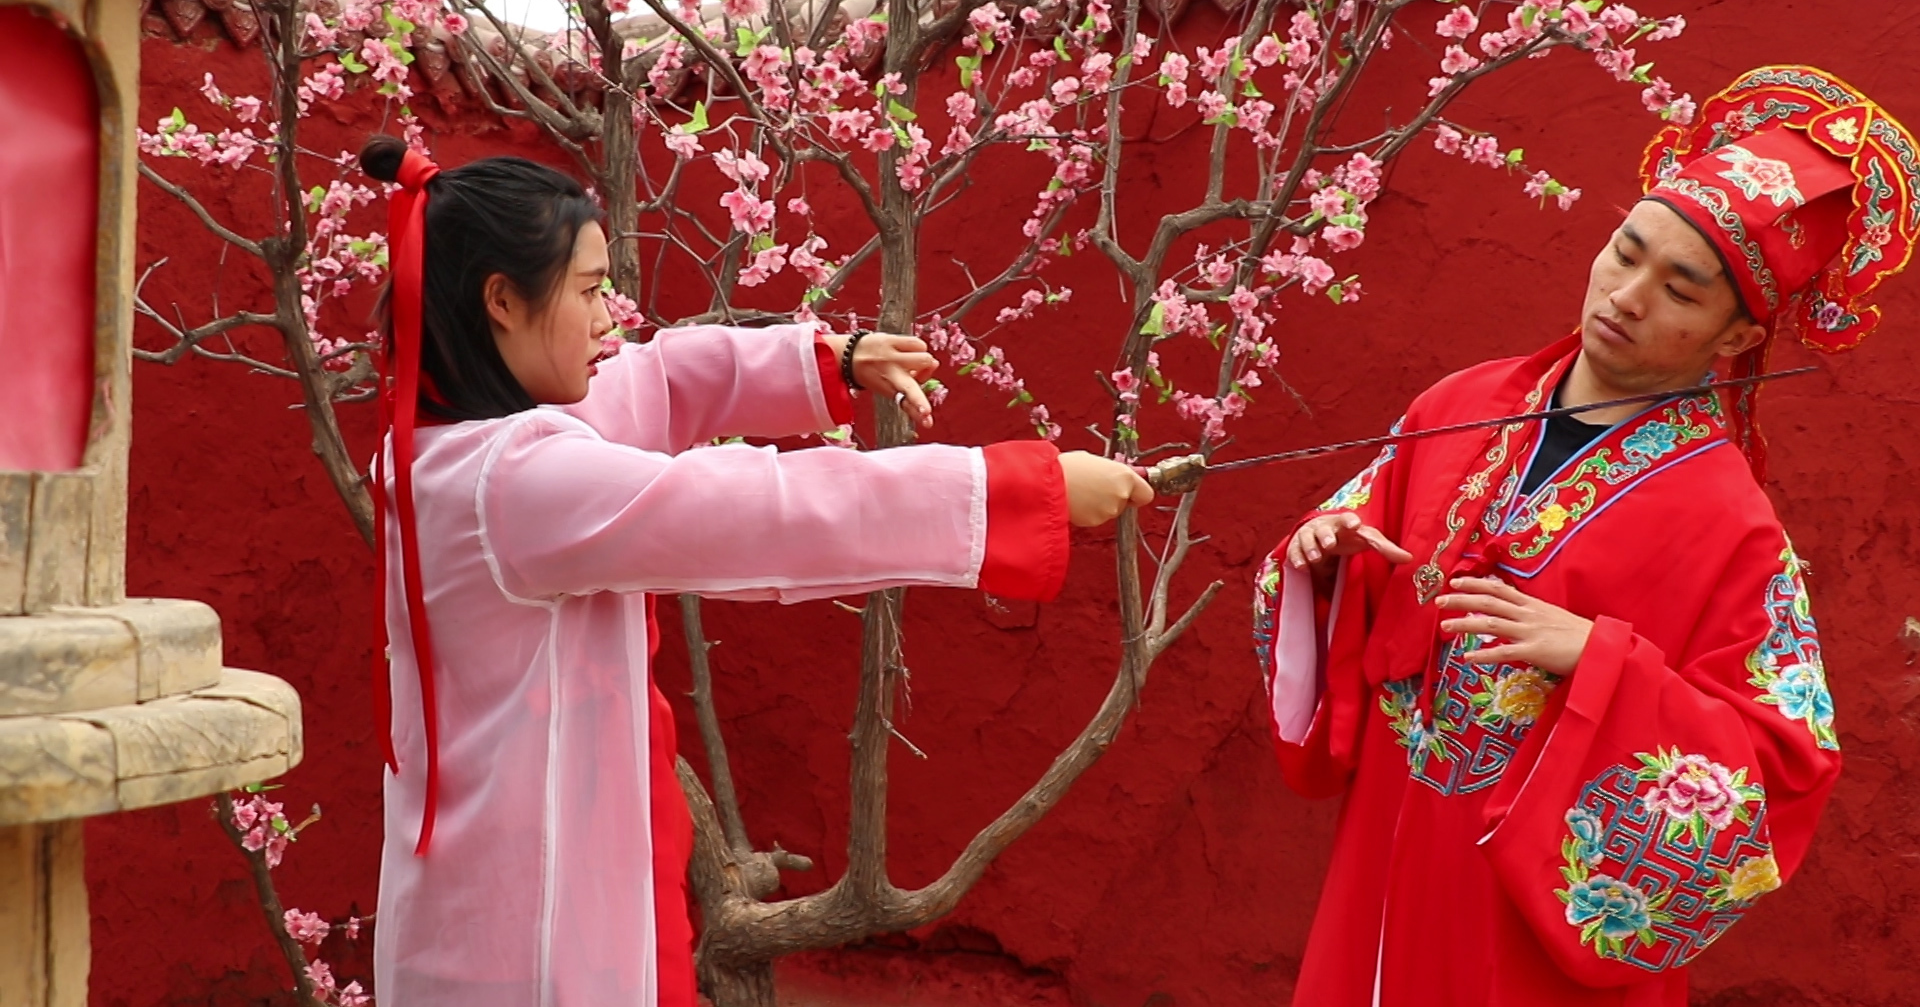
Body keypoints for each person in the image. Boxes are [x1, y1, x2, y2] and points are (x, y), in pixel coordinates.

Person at [355, 133, 1154, 1006]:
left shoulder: (440, 450)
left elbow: (650, 378)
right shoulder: (515, 481)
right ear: (502, 300)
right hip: (531, 928)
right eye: (588, 292)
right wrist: (1012, 489)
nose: (608, 318)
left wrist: (829, 362)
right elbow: (760, 512)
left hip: (486, 891)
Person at [1251, 66, 1918, 1006]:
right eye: (1625, 250)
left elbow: (1783, 764)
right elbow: (1360, 566)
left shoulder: (1733, 524)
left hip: (1531, 911)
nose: (1627, 295)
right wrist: (1322, 560)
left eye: (1680, 290)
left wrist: (1602, 663)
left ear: (1733, 339)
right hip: (1389, 841)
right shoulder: (1459, 404)